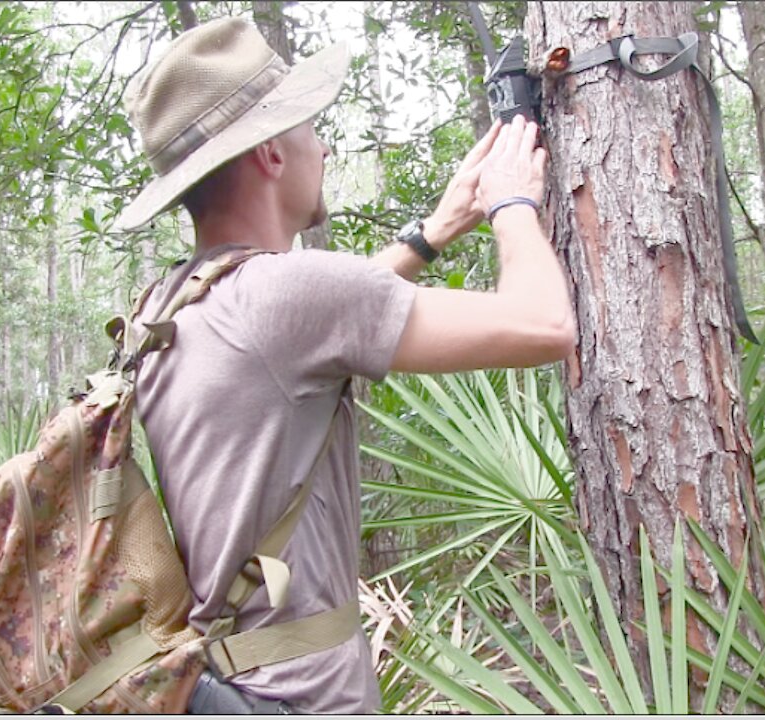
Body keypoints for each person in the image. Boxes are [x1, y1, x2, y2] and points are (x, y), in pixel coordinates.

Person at [116, 16, 573, 714]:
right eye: (306, 126)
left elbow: (295, 339)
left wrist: (433, 231)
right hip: (305, 699)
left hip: (221, 688)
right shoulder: (289, 297)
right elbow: (545, 326)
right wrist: (514, 201)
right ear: (270, 152)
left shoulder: (168, 308)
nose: (321, 146)